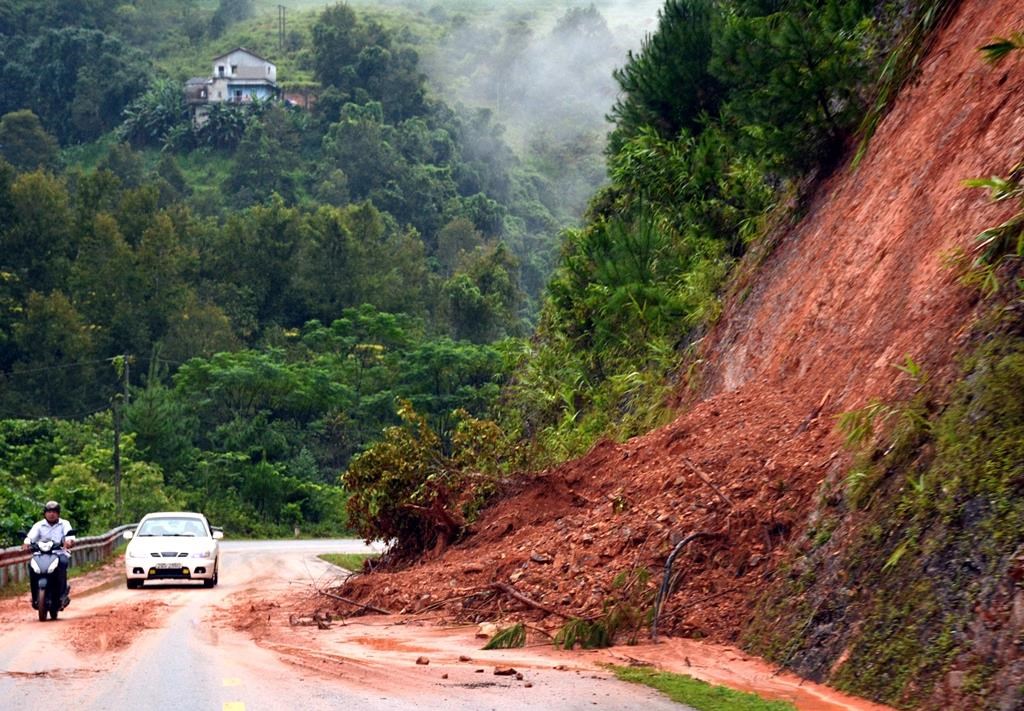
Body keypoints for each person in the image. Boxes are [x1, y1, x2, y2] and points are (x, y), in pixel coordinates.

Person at [23, 501, 75, 609]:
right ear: (45, 513)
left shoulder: (64, 524)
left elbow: (70, 536)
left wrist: (69, 542)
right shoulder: (39, 525)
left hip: (59, 553)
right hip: (41, 554)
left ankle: (62, 594)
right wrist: (27, 542)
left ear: (58, 513)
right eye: (49, 511)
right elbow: (30, 536)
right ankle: (34, 595)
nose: (52, 514)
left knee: (63, 563)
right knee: (31, 566)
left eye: (54, 511)